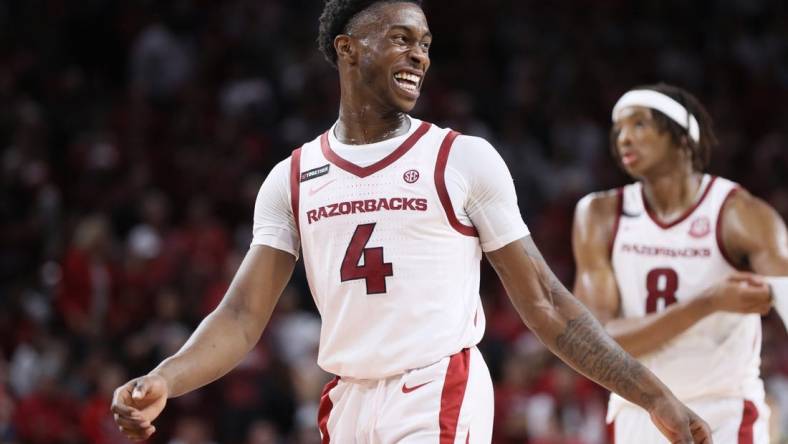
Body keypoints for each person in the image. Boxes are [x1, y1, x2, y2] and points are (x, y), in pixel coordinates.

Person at [111, 2, 712, 443]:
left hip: (437, 388)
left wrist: (652, 394)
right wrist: (166, 379)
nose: (420, 55)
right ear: (348, 49)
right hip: (346, 400)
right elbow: (241, 317)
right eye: (401, 39)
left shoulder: (461, 159)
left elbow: (548, 304)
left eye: (424, 43)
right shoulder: (291, 178)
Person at [572, 83, 788, 443]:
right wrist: (708, 302)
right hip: (638, 410)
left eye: (639, 125)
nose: (624, 138)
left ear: (683, 138)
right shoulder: (599, 214)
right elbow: (596, 343)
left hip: (724, 409)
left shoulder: (739, 213)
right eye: (618, 130)